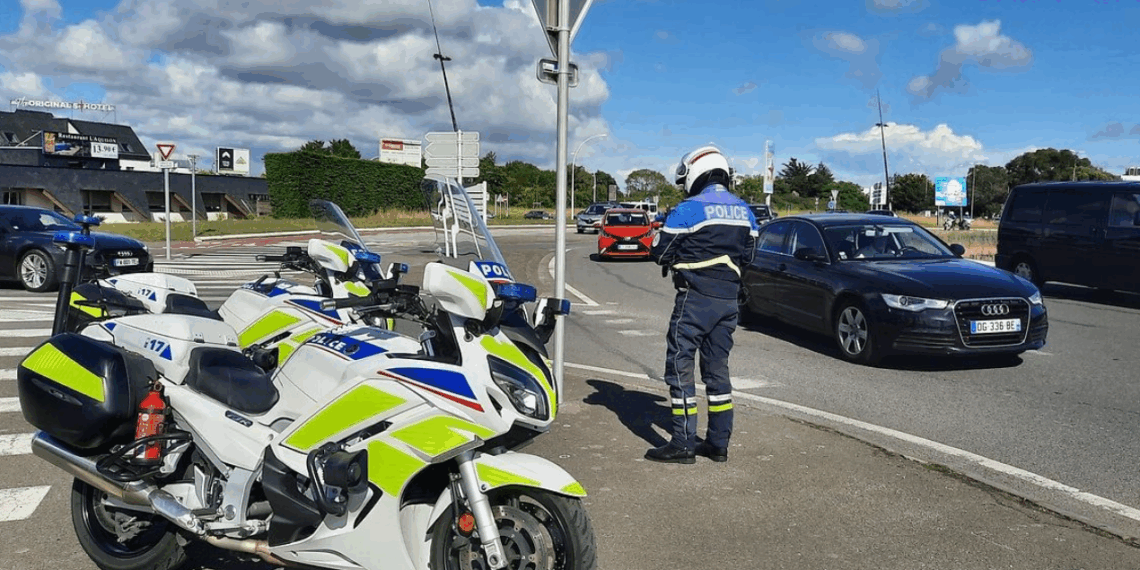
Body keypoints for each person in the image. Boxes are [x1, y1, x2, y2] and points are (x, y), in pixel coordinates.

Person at [647, 145, 759, 464]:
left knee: (680, 368)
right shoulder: (745, 211)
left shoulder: (689, 209)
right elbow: (749, 256)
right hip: (728, 302)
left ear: (695, 173)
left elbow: (660, 252)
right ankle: (718, 444)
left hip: (695, 299)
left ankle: (683, 444)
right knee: (717, 372)